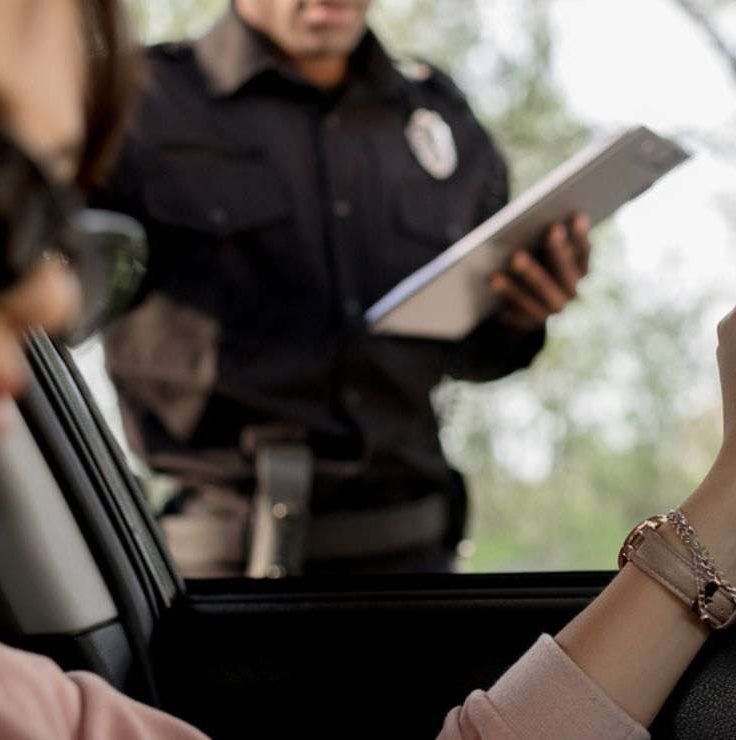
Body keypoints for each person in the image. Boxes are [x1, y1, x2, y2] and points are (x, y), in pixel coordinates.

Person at [0, 0, 736, 736]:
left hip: (412, 546)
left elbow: (478, 344)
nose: (41, 296)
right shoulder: (153, 102)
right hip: (225, 560)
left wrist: (526, 313)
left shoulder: (437, 117)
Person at [92, 0, 595, 577]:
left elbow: (472, 354)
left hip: (421, 571)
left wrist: (521, 312)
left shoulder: (437, 111)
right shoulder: (138, 100)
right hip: (223, 582)